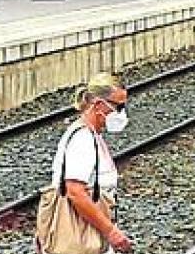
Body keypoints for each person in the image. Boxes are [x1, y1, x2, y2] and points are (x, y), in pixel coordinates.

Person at [35, 72, 134, 254]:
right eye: (118, 107)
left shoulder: (91, 135)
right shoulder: (82, 140)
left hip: (90, 233)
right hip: (79, 234)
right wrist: (111, 231)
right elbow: (74, 191)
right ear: (98, 105)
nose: (122, 113)